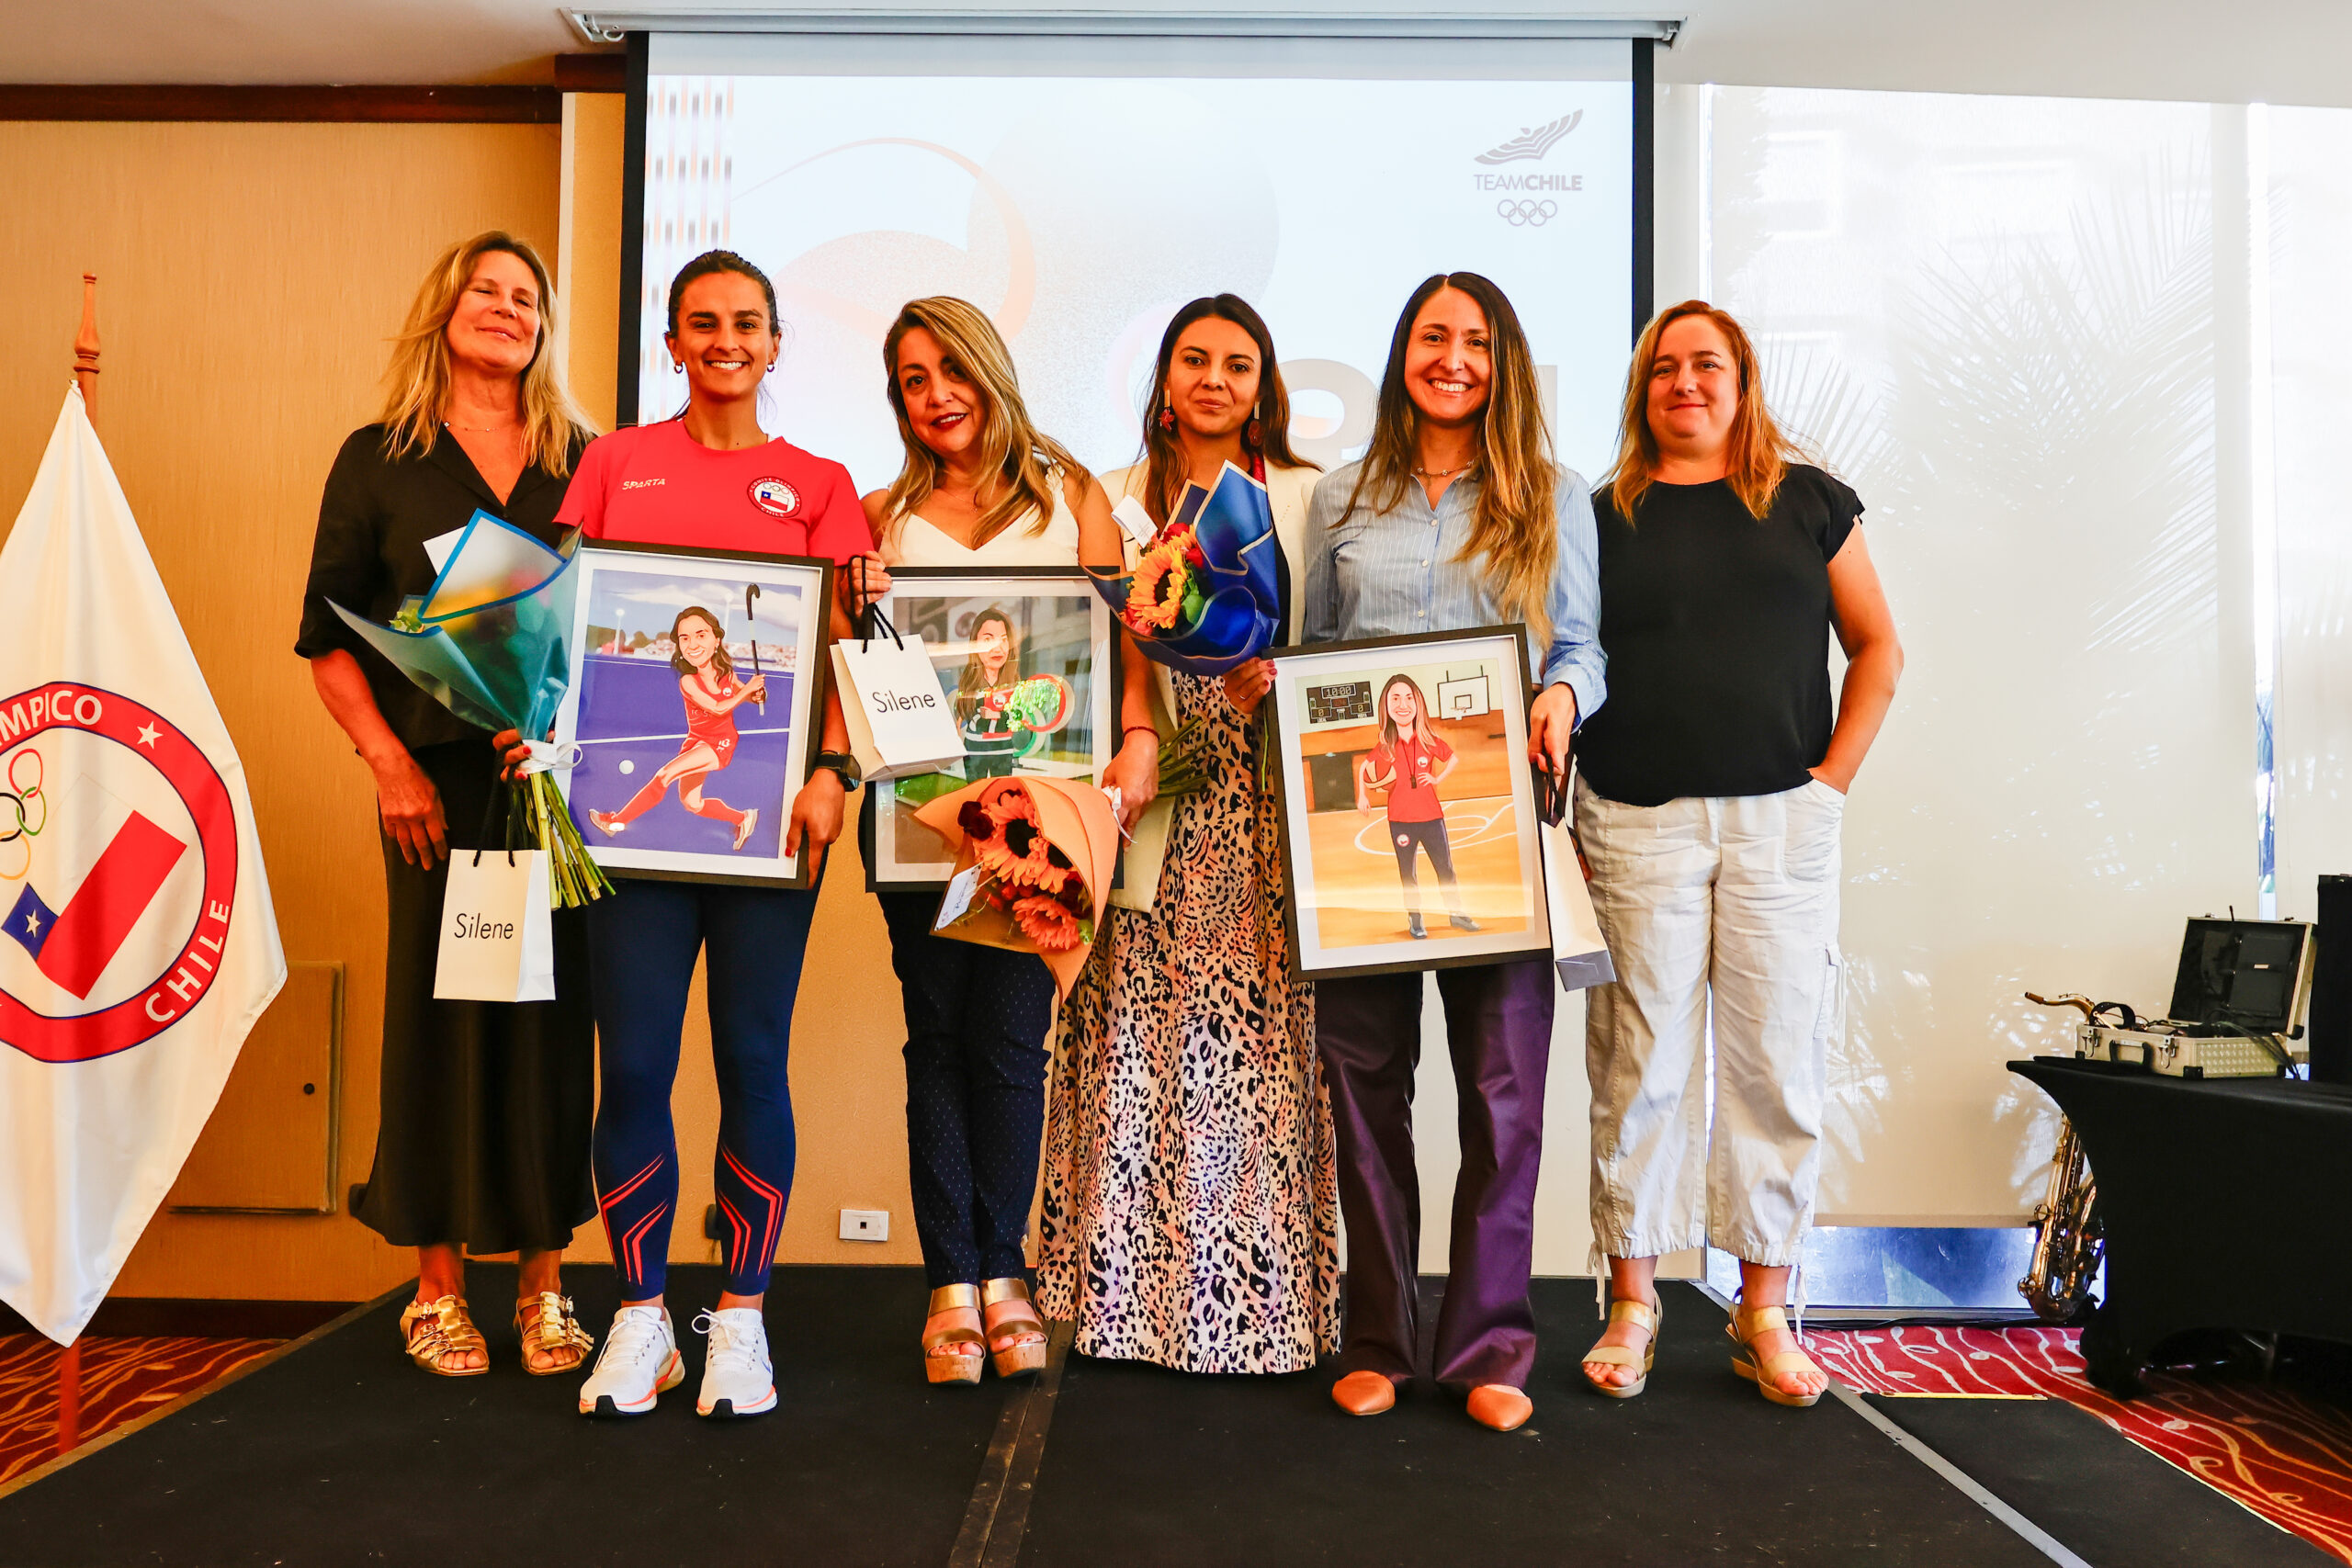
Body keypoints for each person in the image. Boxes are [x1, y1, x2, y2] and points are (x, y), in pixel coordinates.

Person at [543, 250, 869, 1420]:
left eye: (747, 324)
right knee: (629, 1064)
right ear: (670, 344)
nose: (725, 340)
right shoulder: (611, 465)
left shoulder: (826, 485)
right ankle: (640, 1323)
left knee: (750, 1064)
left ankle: (739, 1321)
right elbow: (555, 632)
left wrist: (833, 768)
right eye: (701, 324)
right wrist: (538, 731)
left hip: (772, 836)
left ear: (776, 344)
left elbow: (850, 651)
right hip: (628, 850)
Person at [1573, 300, 1901, 1408]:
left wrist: (1829, 784)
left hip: (1781, 827)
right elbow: (1569, 653)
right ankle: (1634, 1304)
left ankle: (1764, 1312)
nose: (1684, 383)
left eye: (1705, 365)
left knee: (1775, 1066)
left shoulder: (1810, 502)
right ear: (1641, 392)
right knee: (1639, 1066)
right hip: (1634, 821)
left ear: (1741, 379)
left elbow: (1876, 647)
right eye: (1663, 369)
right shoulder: (1598, 515)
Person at [295, 231, 600, 1380]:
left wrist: (571, 738)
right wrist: (389, 765)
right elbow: (328, 644)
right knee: (439, 1024)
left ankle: (540, 1282)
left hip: (552, 795)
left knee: (548, 1023)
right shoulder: (379, 458)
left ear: (544, 328)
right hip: (433, 798)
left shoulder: (587, 460)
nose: (507, 310)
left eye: (527, 299)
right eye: (487, 291)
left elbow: (621, 628)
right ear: (444, 310)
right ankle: (434, 1288)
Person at [1302, 271, 1603, 1432]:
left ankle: (1486, 1348)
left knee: (1503, 1094)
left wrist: (1563, 701)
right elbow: (1316, 655)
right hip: (1360, 839)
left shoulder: (1550, 494)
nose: (1454, 359)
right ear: (1402, 354)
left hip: (1499, 831)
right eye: (1434, 337)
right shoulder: (1342, 497)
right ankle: (1377, 1338)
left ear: (1503, 360)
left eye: (1476, 342)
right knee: (1365, 1088)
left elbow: (1581, 645)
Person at [1040, 293, 1340, 1375]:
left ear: (1265, 389)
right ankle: (1129, 1309)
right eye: (1195, 359)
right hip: (1157, 793)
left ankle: (1260, 1311)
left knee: (1256, 1054)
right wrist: (1131, 735)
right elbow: (1103, 649)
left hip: (1266, 801)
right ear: (1163, 380)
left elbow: (1339, 641)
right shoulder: (1114, 502)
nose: (1215, 379)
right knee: (1139, 1040)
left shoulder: (1307, 497)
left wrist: (1280, 681)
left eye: (1239, 364)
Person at [844, 295, 1126, 1386]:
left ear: (989, 371)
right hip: (918, 829)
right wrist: (850, 602)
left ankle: (1002, 1272)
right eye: (912, 380)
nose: (936, 396)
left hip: (1040, 833)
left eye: (949, 370)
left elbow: (1125, 651)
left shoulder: (1075, 501)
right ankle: (948, 1287)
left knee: (1010, 1045)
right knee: (935, 1044)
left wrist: (1137, 741)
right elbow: (855, 679)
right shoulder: (876, 519)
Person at [588, 605, 766, 850]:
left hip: (720, 743)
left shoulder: (727, 672)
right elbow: (717, 707)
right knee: (693, 804)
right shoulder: (688, 681)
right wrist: (747, 690)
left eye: (700, 635)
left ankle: (616, 822)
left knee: (664, 776)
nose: (692, 644)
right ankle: (743, 818)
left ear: (716, 639)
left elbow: (742, 695)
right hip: (696, 741)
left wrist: (754, 695)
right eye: (685, 638)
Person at [1356, 673, 1476, 940]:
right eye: (1395, 698)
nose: (1403, 704)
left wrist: (1437, 778)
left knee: (1445, 869)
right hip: (1400, 820)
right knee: (1407, 874)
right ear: (1386, 706)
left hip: (1432, 817)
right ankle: (1416, 920)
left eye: (1408, 697)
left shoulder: (1428, 739)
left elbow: (1453, 759)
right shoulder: (1385, 745)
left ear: (1417, 702)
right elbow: (1364, 766)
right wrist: (1362, 795)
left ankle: (1457, 915)